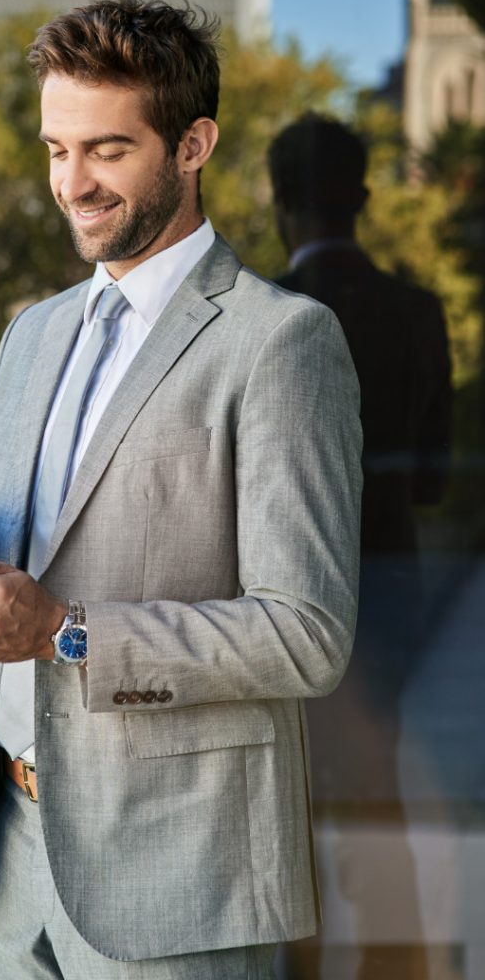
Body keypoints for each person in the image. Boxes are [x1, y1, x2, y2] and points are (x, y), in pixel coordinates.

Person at [0, 0, 362, 980]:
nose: (71, 185)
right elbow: (35, 556)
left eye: (105, 150)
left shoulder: (278, 344)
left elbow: (305, 632)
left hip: (176, 873)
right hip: (14, 853)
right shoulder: (32, 332)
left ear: (193, 144)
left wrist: (65, 631)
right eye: (55, 150)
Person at [267, 113, 451, 979]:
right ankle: (397, 963)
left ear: (278, 208)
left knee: (288, 809)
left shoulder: (260, 324)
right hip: (389, 603)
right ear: (365, 199)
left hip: (285, 603)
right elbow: (430, 484)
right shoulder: (418, 314)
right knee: (379, 799)